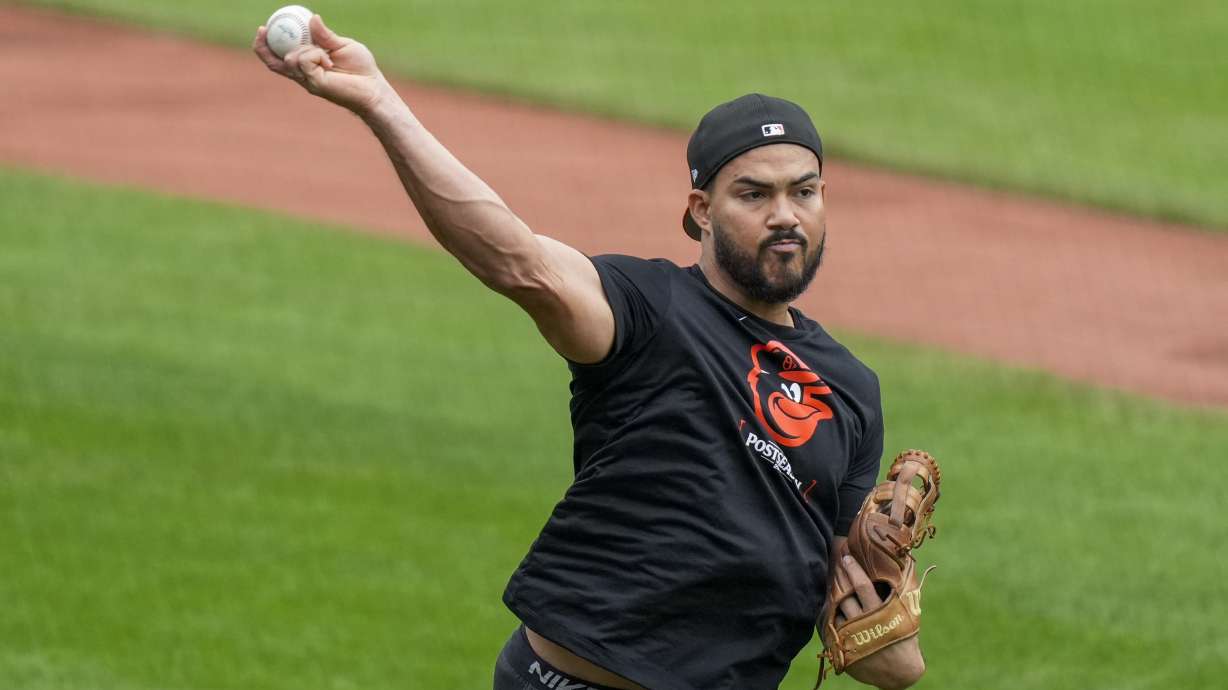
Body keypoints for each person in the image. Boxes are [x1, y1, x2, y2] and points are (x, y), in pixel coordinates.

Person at [254, 14, 927, 690]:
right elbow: (518, 261)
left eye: (802, 191)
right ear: (700, 209)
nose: (785, 213)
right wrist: (379, 102)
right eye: (754, 193)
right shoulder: (650, 307)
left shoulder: (850, 388)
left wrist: (886, 633)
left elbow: (850, 595)